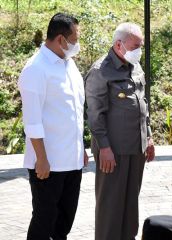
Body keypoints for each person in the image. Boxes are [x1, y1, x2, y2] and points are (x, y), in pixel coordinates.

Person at [18, 13, 88, 240]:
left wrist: (81, 148)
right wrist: (41, 158)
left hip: (72, 159)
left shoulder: (69, 65)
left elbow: (74, 111)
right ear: (60, 39)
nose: (77, 44)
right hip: (48, 162)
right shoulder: (35, 69)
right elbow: (33, 120)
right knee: (44, 220)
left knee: (65, 220)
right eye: (75, 39)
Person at [85, 22, 155, 240]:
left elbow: (142, 104)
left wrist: (149, 136)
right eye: (135, 46)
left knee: (130, 204)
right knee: (110, 206)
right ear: (119, 44)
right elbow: (95, 115)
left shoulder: (135, 67)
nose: (139, 51)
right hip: (113, 151)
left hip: (136, 148)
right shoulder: (101, 71)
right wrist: (104, 148)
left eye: (140, 46)